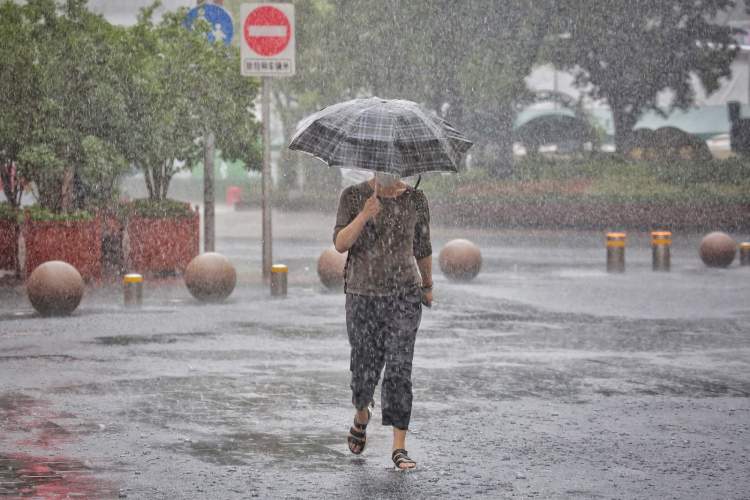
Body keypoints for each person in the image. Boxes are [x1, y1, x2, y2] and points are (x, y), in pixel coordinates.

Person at [333, 171, 433, 471]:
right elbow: (340, 243)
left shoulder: (416, 199)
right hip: (362, 294)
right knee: (363, 367)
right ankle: (362, 415)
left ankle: (399, 446)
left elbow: (423, 247)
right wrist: (365, 213)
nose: (388, 169)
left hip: (404, 295)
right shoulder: (352, 196)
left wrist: (427, 284)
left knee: (400, 368)